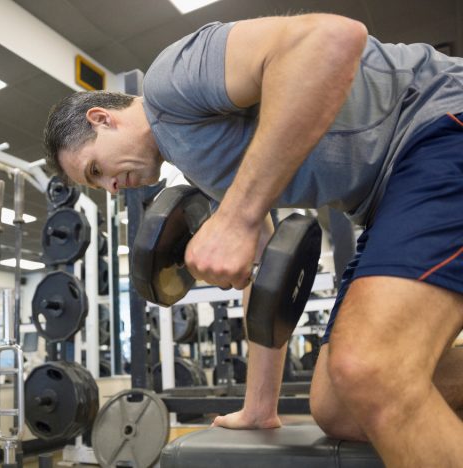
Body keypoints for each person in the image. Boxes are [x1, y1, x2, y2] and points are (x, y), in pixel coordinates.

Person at [43, 13, 463, 467]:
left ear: (102, 118)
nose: (111, 187)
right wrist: (260, 406)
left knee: (370, 368)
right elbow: (264, 279)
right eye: (97, 185)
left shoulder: (171, 82)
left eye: (96, 170)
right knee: (339, 406)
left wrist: (238, 217)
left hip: (437, 128)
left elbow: (333, 38)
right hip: (384, 200)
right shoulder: (201, 170)